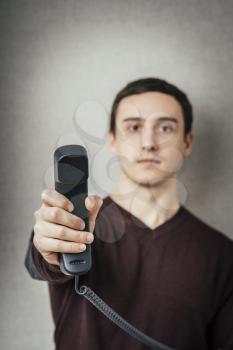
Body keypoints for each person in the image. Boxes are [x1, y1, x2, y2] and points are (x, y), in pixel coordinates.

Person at [25, 77, 233, 350]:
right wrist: (48, 250)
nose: (149, 143)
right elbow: (41, 262)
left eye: (166, 127)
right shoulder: (73, 225)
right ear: (113, 140)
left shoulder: (222, 254)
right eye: (134, 127)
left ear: (187, 142)